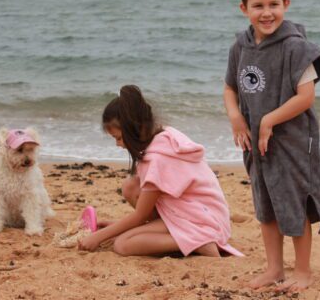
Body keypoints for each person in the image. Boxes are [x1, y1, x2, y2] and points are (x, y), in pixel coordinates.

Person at [223, 0, 320, 292]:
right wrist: (235, 117)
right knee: (266, 205)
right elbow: (230, 88)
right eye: (258, 6)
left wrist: (269, 120)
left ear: (285, 4)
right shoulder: (240, 47)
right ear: (244, 7)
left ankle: (302, 271)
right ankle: (274, 267)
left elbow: (306, 96)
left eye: (274, 4)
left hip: (293, 142)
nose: (267, 13)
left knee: (295, 203)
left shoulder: (295, 47)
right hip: (258, 147)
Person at [78, 85, 242, 258]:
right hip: (197, 211)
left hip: (201, 220)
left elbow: (140, 215)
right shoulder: (164, 135)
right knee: (131, 186)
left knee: (122, 244)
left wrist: (98, 237)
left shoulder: (157, 160)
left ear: (133, 129)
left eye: (119, 138)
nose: (118, 144)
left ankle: (200, 242)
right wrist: (114, 227)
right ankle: (189, 238)